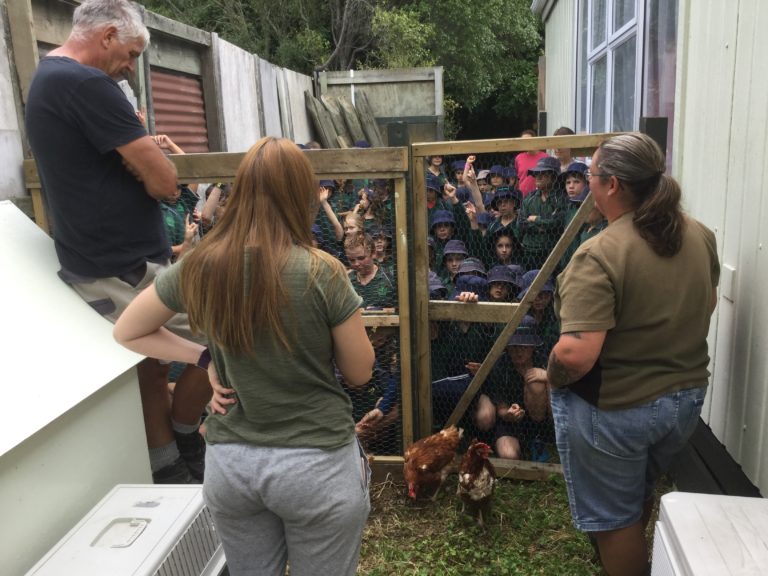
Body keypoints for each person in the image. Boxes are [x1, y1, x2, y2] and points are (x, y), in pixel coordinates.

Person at [114, 136, 375, 576]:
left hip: (232, 467)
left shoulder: (200, 265)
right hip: (317, 468)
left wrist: (203, 358)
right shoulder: (321, 270)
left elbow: (128, 330)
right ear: (300, 194)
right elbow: (360, 372)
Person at [24, 0, 210, 483]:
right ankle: (185, 439)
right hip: (122, 264)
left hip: (105, 255)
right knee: (223, 335)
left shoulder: (49, 76)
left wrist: (136, 158)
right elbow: (166, 182)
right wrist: (142, 160)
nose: (129, 68)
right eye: (129, 54)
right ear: (106, 36)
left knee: (149, 367)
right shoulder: (87, 84)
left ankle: (167, 462)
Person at [546, 133, 720, 576]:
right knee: (637, 492)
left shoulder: (600, 253)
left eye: (591, 176)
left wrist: (549, 374)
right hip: (685, 401)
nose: (587, 184)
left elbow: (577, 354)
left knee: (614, 520)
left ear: (613, 185)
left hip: (618, 408)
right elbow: (710, 303)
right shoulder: (699, 235)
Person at [518, 156, 569, 270]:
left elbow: (558, 222)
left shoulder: (561, 199)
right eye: (536, 173)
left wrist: (536, 220)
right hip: (530, 253)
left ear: (554, 177)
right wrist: (546, 223)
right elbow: (521, 224)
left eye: (544, 173)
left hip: (553, 253)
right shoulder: (529, 199)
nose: (538, 177)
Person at [515, 129, 548, 197]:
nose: (526, 143)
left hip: (539, 195)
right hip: (522, 196)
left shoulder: (545, 157)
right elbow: (517, 178)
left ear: (534, 140)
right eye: (523, 141)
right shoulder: (519, 158)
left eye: (528, 140)